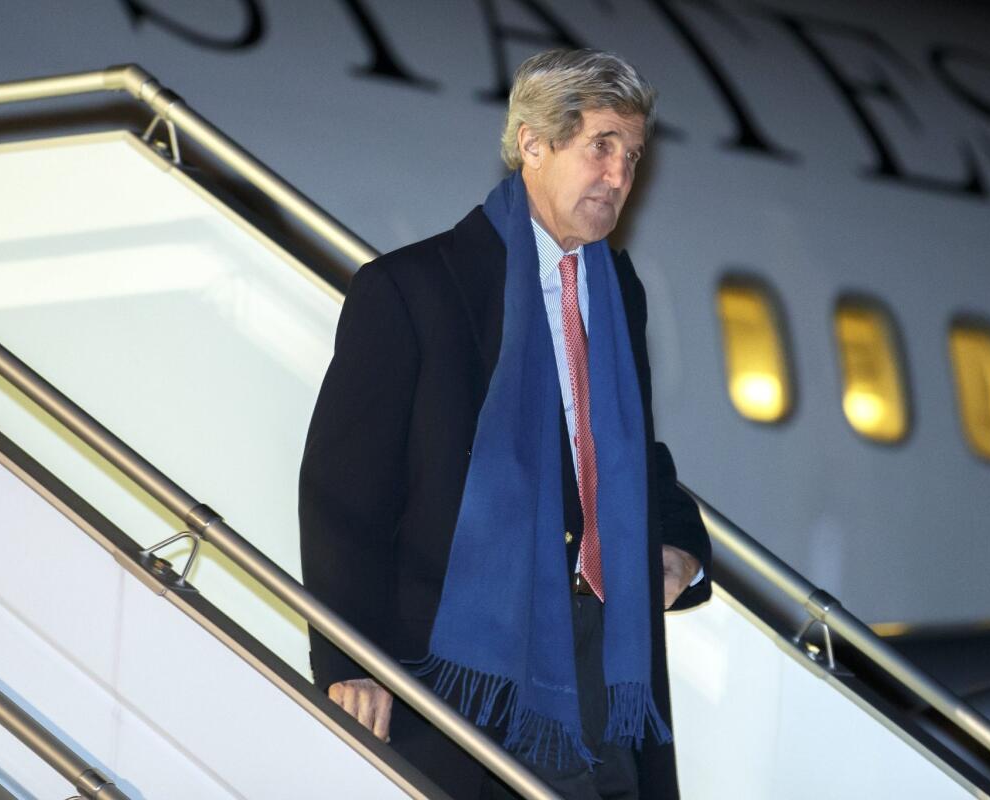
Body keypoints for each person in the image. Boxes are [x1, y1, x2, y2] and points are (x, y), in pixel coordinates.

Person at [299, 48, 712, 800]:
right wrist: (350, 661)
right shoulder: (411, 290)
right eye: (601, 147)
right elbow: (343, 495)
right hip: (476, 664)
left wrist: (681, 542)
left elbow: (620, 449)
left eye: (633, 155)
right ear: (533, 143)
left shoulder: (617, 289)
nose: (620, 177)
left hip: (607, 658)